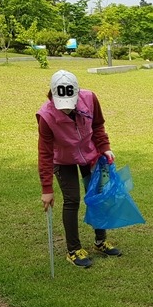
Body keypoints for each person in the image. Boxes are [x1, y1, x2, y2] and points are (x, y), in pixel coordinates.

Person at [37, 70, 122, 268]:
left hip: (89, 154)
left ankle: (100, 241)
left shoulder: (90, 98)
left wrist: (105, 148)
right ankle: (73, 250)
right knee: (72, 199)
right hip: (62, 159)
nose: (66, 109)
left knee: (97, 196)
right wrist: (47, 189)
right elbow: (45, 154)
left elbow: (98, 125)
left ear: (77, 93)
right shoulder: (46, 116)